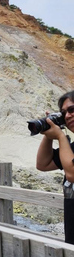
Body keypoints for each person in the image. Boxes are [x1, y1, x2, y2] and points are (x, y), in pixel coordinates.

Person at [36, 90, 74, 244]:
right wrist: (48, 133)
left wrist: (60, 136)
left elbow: (72, 174)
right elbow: (43, 164)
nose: (67, 116)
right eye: (63, 113)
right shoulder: (71, 148)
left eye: (72, 110)